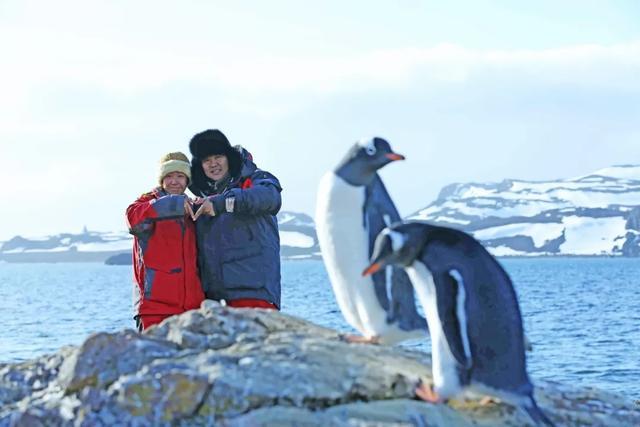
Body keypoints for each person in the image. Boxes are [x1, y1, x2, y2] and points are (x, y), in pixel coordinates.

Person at [188, 129, 282, 309]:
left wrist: (222, 203)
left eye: (218, 157)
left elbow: (271, 198)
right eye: (206, 160)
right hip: (215, 299)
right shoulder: (204, 198)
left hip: (254, 294)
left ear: (229, 157)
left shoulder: (256, 179)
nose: (213, 164)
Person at [126, 152, 204, 331]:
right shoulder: (145, 203)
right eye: (169, 176)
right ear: (161, 179)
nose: (174, 181)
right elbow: (133, 220)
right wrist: (174, 205)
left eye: (180, 176)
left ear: (187, 180)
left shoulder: (193, 208)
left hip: (192, 310)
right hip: (154, 310)